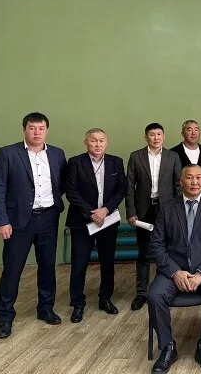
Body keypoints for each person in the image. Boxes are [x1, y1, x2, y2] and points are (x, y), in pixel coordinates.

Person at [0, 112, 67, 339]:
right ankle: (5, 318)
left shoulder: (57, 154)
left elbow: (61, 183)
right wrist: (2, 221)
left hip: (48, 218)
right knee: (12, 269)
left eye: (41, 128)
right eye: (32, 128)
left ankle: (45, 308)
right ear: (24, 129)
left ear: (47, 130)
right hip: (18, 222)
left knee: (47, 266)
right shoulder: (7, 153)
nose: (36, 132)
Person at [148, 165, 201, 374]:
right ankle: (167, 347)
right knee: (155, 296)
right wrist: (175, 272)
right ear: (181, 182)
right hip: (173, 270)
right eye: (189, 178)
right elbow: (156, 245)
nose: (194, 182)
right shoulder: (167, 207)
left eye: (198, 177)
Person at [65, 128, 127, 323]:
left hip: (108, 220)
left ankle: (105, 298)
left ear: (106, 143)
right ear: (86, 142)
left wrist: (105, 210)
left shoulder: (116, 162)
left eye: (101, 140)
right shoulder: (75, 162)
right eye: (93, 140)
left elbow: (121, 189)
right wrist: (92, 213)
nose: (98, 144)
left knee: (107, 261)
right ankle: (77, 303)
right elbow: (71, 191)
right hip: (82, 221)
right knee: (79, 263)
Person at [126, 122, 182, 311]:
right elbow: (129, 186)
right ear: (146, 137)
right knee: (144, 253)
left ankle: (163, 290)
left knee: (167, 251)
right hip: (144, 210)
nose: (156, 138)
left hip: (167, 209)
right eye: (152, 134)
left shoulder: (173, 157)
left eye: (159, 134)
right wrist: (131, 212)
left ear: (163, 137)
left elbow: (178, 186)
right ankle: (141, 293)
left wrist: (178, 211)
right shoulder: (136, 156)